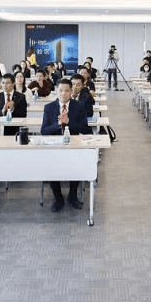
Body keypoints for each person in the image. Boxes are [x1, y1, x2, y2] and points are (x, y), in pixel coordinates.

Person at [41, 79, 90, 212]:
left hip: (73, 146)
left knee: (78, 165)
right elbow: (44, 131)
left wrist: (69, 122)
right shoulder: (49, 107)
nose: (63, 93)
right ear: (56, 91)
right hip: (54, 147)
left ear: (71, 91)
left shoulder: (79, 106)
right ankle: (58, 198)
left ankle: (72, 196)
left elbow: (86, 129)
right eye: (61, 90)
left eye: (67, 90)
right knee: (50, 167)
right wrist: (57, 124)